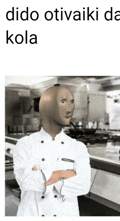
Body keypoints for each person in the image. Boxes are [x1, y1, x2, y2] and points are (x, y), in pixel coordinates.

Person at [13, 86, 91, 217]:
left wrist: (42, 177)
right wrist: (64, 174)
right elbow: (25, 181)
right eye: (63, 101)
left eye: (72, 102)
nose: (70, 108)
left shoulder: (78, 147)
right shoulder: (25, 144)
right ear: (46, 107)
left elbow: (83, 186)